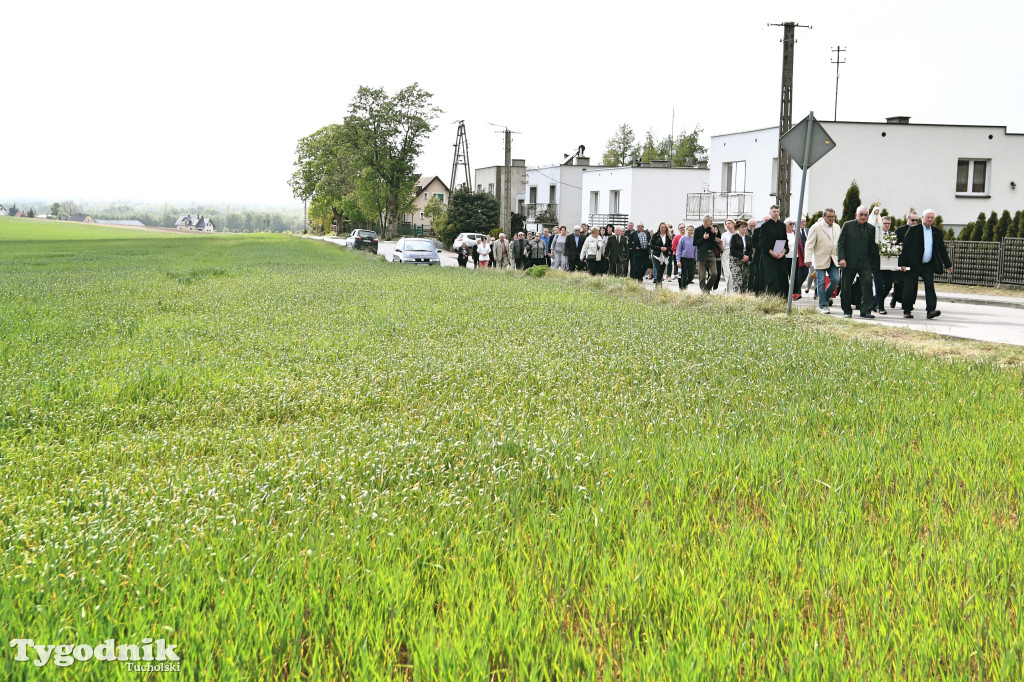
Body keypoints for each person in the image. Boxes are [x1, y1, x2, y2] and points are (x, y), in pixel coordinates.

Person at [897, 208, 952, 319]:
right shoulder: (913, 230)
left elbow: (941, 249)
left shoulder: (936, 231)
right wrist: (901, 264)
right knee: (909, 288)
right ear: (922, 218)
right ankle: (907, 310)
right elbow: (905, 248)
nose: (930, 219)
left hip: (927, 265)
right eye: (928, 217)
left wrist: (948, 264)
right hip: (913, 264)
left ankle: (931, 310)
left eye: (932, 218)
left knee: (930, 286)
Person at [837, 205, 879, 319]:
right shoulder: (847, 225)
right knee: (846, 287)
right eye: (861, 215)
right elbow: (840, 243)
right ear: (856, 215)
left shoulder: (871, 228)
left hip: (865, 263)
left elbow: (872, 246)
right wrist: (841, 258)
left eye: (865, 215)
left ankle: (865, 310)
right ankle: (847, 310)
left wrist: (874, 263)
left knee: (867, 285)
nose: (863, 217)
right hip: (848, 262)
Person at [804, 209, 841, 313]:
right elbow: (809, 244)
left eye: (833, 216)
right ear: (824, 217)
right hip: (820, 258)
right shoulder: (816, 227)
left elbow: (840, 243)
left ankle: (823, 299)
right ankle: (823, 306)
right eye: (829, 217)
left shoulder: (837, 227)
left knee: (835, 280)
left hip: (833, 258)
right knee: (821, 282)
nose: (832, 219)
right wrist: (808, 259)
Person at [754, 205, 789, 297]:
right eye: (774, 211)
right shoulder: (765, 226)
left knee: (782, 277)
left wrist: (783, 252)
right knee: (772, 278)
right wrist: (771, 252)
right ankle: (772, 298)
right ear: (770, 213)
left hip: (780, 257)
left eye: (777, 211)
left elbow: (785, 240)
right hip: (769, 257)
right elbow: (762, 242)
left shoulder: (782, 225)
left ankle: (782, 298)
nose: (776, 213)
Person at [871, 216, 897, 314]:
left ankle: (875, 301)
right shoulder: (876, 234)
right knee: (879, 286)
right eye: (885, 223)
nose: (887, 225)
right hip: (877, 265)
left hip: (888, 265)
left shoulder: (893, 235)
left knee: (889, 285)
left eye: (888, 223)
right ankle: (880, 307)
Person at [693, 215, 720, 293]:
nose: (711, 223)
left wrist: (713, 233)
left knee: (714, 274)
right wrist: (703, 238)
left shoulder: (711, 230)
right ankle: (703, 292)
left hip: (711, 254)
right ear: (705, 221)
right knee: (702, 276)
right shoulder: (697, 230)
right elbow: (694, 243)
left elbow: (714, 242)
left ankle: (706, 289)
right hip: (702, 254)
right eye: (710, 221)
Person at [729, 220, 753, 293]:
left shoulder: (748, 238)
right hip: (735, 260)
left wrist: (748, 256)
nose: (744, 228)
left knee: (745, 280)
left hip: (746, 260)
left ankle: (743, 296)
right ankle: (737, 295)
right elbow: (732, 250)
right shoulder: (734, 237)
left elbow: (750, 249)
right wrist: (742, 256)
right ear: (738, 228)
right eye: (743, 227)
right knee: (737, 278)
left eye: (746, 226)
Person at [676, 225, 697, 290]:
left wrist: (696, 261)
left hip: (691, 259)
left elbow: (696, 250)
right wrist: (678, 260)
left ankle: (684, 285)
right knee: (684, 274)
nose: (690, 232)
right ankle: (683, 288)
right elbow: (679, 250)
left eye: (692, 230)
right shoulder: (683, 238)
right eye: (689, 230)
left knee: (691, 276)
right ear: (686, 230)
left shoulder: (694, 239)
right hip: (683, 258)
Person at [720, 219, 736, 293]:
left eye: (729, 223)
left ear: (733, 224)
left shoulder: (738, 233)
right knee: (727, 273)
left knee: (734, 273)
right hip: (726, 253)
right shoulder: (724, 234)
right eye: (726, 224)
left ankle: (734, 291)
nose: (727, 225)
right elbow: (722, 248)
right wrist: (720, 243)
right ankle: (729, 292)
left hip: (736, 254)